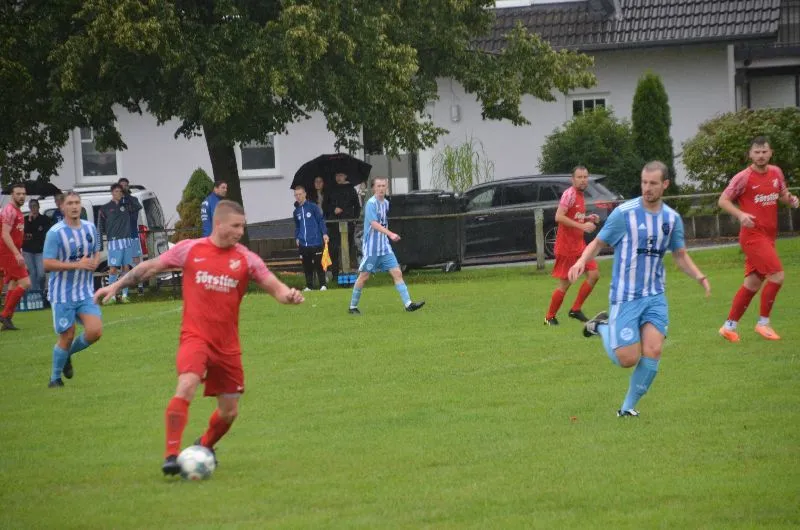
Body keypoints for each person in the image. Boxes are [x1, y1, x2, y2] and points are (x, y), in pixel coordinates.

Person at [93, 200, 304, 476]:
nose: (240, 232)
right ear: (218, 224)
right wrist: (116, 285)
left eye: (243, 226)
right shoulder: (190, 249)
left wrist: (289, 295)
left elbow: (275, 288)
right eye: (236, 226)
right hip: (195, 337)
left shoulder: (247, 259)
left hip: (227, 345)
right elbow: (149, 268)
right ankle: (171, 456)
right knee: (187, 385)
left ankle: (203, 446)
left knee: (229, 412)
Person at [568, 161, 711, 417]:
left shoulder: (671, 219)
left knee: (654, 350)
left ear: (665, 184)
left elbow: (680, 255)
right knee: (627, 359)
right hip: (625, 295)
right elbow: (598, 243)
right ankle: (600, 326)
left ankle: (626, 409)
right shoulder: (625, 213)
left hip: (655, 295)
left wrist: (699, 276)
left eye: (653, 183)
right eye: (644, 182)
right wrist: (580, 262)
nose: (647, 188)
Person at [717, 137, 799, 342]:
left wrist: (791, 200)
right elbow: (723, 200)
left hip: (769, 237)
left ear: (770, 153)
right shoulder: (743, 178)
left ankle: (728, 327)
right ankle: (763, 323)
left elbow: (782, 194)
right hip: (753, 236)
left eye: (764, 152)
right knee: (777, 276)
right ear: (750, 154)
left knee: (752, 284)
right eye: (757, 152)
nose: (761, 155)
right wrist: (740, 215)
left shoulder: (776, 172)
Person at [43, 192, 102, 388]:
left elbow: (96, 251)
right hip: (62, 294)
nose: (74, 206)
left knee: (95, 331)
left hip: (85, 292)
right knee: (67, 336)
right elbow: (47, 264)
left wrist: (94, 261)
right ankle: (54, 379)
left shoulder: (90, 227)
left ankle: (66, 354)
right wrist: (77, 265)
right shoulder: (55, 233)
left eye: (77, 202)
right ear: (63, 207)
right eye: (70, 203)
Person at [348, 176, 424, 314]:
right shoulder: (371, 204)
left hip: (384, 247)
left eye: (383, 186)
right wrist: (390, 234)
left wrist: (387, 236)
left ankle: (408, 304)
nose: (381, 188)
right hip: (372, 248)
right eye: (379, 186)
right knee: (364, 276)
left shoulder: (386, 203)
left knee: (397, 273)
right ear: (373, 188)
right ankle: (353, 307)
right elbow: (374, 224)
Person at [545, 166, 601, 325]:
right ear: (573, 179)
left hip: (580, 246)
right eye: (579, 177)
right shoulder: (569, 194)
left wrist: (588, 218)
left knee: (594, 275)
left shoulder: (580, 195)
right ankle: (549, 317)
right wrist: (582, 226)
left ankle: (575, 309)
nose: (583, 180)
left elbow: (574, 216)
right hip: (567, 248)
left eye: (585, 177)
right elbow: (559, 217)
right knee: (565, 284)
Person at [0, 183, 31, 330]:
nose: (21, 196)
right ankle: (5, 314)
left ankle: (7, 319)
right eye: (18, 194)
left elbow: (15, 235)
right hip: (8, 253)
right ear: (12, 195)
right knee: (25, 282)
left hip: (12, 251)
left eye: (23, 194)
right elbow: (5, 234)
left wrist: (19, 251)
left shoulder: (17, 210)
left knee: (13, 283)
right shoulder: (9, 210)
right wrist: (16, 253)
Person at [97, 184, 135, 303]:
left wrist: (127, 194)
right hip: (114, 242)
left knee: (126, 268)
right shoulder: (105, 208)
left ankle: (124, 295)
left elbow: (138, 206)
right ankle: (111, 296)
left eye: (121, 191)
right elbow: (99, 227)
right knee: (113, 269)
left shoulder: (127, 206)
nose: (119, 193)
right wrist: (99, 245)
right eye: (117, 191)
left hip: (127, 241)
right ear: (112, 193)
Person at [293, 186, 329, 291]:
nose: (298, 196)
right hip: (303, 243)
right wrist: (297, 237)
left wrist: (324, 233)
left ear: (305, 194)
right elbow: (297, 226)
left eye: (300, 194)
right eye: (296, 195)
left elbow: (320, 220)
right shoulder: (296, 212)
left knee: (319, 264)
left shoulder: (313, 207)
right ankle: (309, 286)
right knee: (307, 265)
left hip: (316, 241)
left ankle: (323, 285)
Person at [328, 172, 362, 279]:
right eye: (337, 175)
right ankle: (335, 274)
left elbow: (357, 206)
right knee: (334, 249)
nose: (339, 178)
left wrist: (354, 220)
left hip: (348, 222)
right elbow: (326, 205)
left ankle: (348, 272)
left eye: (341, 175)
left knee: (348, 247)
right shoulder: (331, 189)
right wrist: (333, 209)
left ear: (345, 176)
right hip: (334, 223)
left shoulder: (351, 189)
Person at [118, 178, 144, 294]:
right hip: (122, 237)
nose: (123, 187)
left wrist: (127, 199)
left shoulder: (133, 199)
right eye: (121, 185)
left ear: (128, 186)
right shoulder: (117, 201)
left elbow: (135, 214)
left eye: (125, 185)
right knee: (124, 263)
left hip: (132, 235)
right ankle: (124, 290)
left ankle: (140, 286)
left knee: (136, 262)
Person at [23, 199, 53, 293]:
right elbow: (25, 232)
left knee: (41, 274)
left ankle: (41, 290)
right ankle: (36, 295)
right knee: (32, 274)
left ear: (38, 207)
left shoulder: (45, 219)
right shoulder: (26, 219)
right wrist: (30, 221)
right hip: (28, 250)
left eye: (35, 205)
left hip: (40, 250)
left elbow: (45, 233)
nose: (33, 208)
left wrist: (34, 233)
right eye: (31, 206)